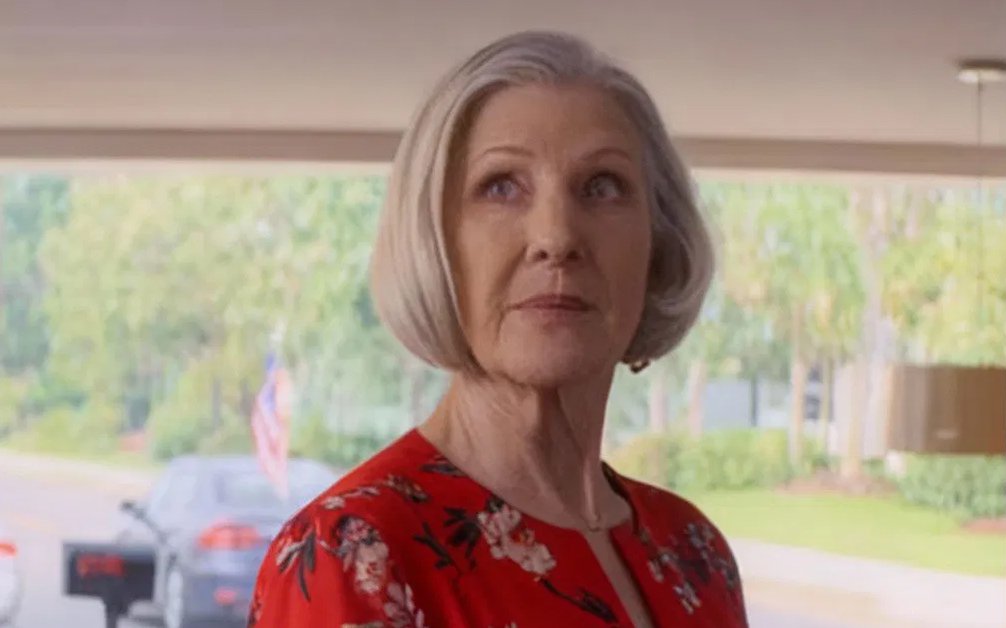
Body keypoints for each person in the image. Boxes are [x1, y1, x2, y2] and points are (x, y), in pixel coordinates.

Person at [248, 30, 747, 628]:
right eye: (502, 186)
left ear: (658, 245)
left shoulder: (696, 552)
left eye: (602, 186)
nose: (556, 237)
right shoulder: (352, 553)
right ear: (435, 243)